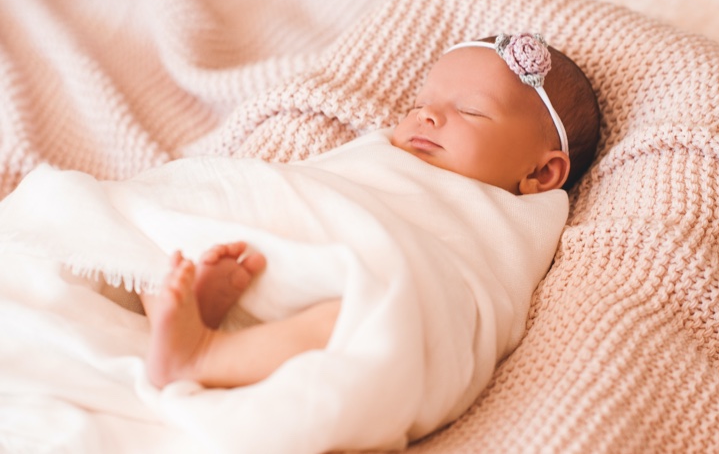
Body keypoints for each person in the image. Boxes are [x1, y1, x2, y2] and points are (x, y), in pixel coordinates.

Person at [143, 32, 600, 389]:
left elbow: (477, 291)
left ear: (541, 175)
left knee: (382, 322)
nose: (427, 116)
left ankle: (204, 354)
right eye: (419, 104)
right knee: (177, 201)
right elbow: (312, 186)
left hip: (388, 290)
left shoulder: (524, 218)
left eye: (472, 111)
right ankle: (181, 308)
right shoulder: (383, 152)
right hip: (284, 257)